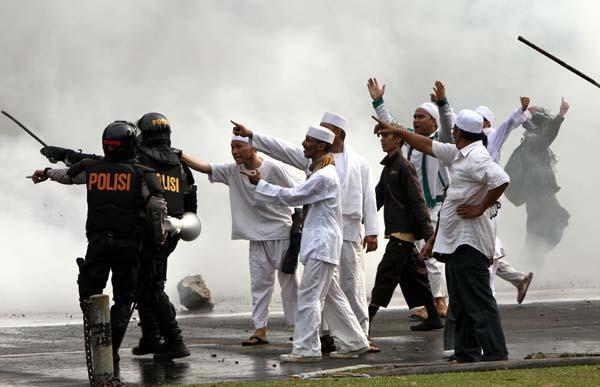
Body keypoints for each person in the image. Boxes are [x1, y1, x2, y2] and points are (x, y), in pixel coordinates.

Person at [229, 112, 378, 352]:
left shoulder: (340, 168)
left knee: (331, 291)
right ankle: (354, 341)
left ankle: (308, 348)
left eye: (310, 139)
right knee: (332, 295)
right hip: (323, 237)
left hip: (335, 236)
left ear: (327, 140)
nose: (303, 144)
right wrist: (253, 136)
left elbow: (296, 196)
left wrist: (372, 230)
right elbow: (283, 150)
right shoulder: (316, 165)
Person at [374, 109, 510, 363]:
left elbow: (501, 179)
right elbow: (425, 143)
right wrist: (397, 130)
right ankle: (467, 352)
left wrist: (480, 207)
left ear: (458, 131)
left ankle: (495, 353)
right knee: (460, 300)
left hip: (470, 241)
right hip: (456, 241)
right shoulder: (459, 153)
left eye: (454, 129)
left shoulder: (477, 157)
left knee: (478, 301)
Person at [30, 121, 167, 370]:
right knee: (124, 300)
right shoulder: (143, 173)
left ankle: (99, 335)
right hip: (128, 246)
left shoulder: (92, 169)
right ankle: (110, 349)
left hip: (98, 244)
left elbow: (66, 176)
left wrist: (46, 172)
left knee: (89, 295)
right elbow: (157, 206)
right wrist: (159, 235)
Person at [179, 135, 300, 346]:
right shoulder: (233, 171)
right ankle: (259, 330)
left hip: (281, 234)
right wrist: (179, 155)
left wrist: (300, 225)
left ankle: (301, 329)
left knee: (290, 285)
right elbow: (206, 167)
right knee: (260, 286)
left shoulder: (274, 168)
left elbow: (298, 192)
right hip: (255, 237)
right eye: (232, 147)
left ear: (253, 147)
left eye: (239, 147)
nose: (234, 151)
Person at [435, 86, 534, 303]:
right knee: (482, 248)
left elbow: (507, 126)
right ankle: (517, 280)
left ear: (487, 123)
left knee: (485, 249)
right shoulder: (467, 143)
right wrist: (443, 103)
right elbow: (451, 125)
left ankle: (488, 297)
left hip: (486, 201)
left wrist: (520, 110)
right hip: (472, 200)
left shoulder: (491, 136)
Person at [369, 78, 449, 319]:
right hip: (413, 208)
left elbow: (448, 124)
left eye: (421, 117)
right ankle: (428, 308)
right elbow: (392, 125)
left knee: (431, 255)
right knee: (415, 261)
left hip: (433, 206)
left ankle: (439, 302)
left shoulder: (441, 142)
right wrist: (378, 101)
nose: (415, 120)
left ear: (433, 121)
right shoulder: (410, 139)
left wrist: (444, 104)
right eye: (414, 117)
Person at [368, 123, 443, 343]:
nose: (382, 139)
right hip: (400, 235)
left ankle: (364, 323)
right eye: (381, 136)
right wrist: (360, 218)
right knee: (418, 277)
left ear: (399, 140)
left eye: (387, 136)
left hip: (402, 234)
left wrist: (429, 235)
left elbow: (417, 201)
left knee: (385, 276)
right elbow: (377, 198)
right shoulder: (389, 166)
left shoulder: (403, 166)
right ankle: (434, 318)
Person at [132, 112, 198, 360]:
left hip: (146, 232)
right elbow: (191, 199)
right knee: (144, 286)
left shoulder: (139, 159)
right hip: (172, 232)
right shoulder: (179, 165)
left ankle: (174, 340)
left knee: (151, 287)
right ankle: (151, 337)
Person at [504, 98, 570, 265]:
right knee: (554, 222)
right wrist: (561, 115)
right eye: (545, 123)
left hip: (538, 195)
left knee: (537, 232)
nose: (547, 126)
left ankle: (529, 264)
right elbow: (548, 135)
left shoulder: (531, 142)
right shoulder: (533, 142)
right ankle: (528, 262)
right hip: (539, 195)